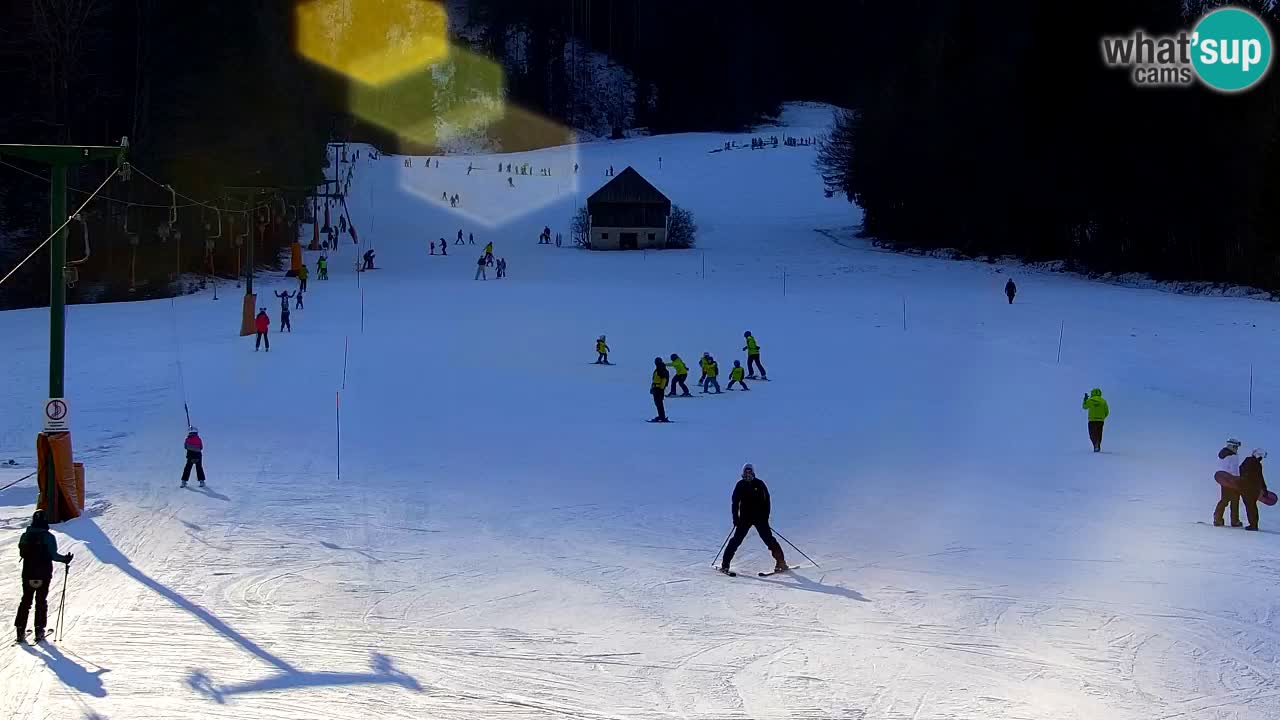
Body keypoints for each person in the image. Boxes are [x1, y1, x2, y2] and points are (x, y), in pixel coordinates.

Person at [15, 511, 72, 643]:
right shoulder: (48, 537)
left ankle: (20, 630)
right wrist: (66, 559)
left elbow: (22, 552)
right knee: (41, 602)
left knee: (25, 601)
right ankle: (39, 630)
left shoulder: (25, 536)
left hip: (28, 574)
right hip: (43, 574)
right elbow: (53, 555)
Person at [720, 464, 787, 575]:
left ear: (753, 472)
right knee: (735, 541)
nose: (748, 474)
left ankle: (781, 563)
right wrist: (735, 518)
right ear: (743, 473)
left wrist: (765, 517)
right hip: (744, 519)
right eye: (746, 472)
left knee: (769, 540)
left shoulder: (759, 484)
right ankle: (725, 565)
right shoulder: (740, 485)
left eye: (750, 472)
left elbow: (767, 501)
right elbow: (735, 503)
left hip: (759, 518)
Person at [1214, 437, 1244, 527]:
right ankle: (1235, 521)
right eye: (1235, 447)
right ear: (1231, 446)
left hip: (1224, 480)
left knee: (1225, 499)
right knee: (1235, 501)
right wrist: (1239, 480)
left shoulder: (1222, 455)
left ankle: (1217, 518)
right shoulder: (1232, 456)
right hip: (1233, 480)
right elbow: (1234, 470)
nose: (1236, 449)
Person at [1240, 449, 1269, 531]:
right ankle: (1254, 524)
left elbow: (1241, 472)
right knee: (1253, 506)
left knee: (1250, 506)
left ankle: (1253, 525)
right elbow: (1261, 477)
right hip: (1255, 489)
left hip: (1247, 488)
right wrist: (1264, 489)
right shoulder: (1258, 464)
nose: (1261, 459)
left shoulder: (1248, 461)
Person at [1082, 388, 1109, 452]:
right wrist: (1102, 417)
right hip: (1100, 421)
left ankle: (1095, 444)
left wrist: (1085, 399)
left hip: (1092, 420)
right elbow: (1107, 412)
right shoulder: (1103, 401)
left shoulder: (1090, 400)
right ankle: (1097, 444)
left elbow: (1084, 407)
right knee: (1099, 433)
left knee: (1092, 434)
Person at [650, 358, 670, 422]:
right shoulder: (658, 368)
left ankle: (662, 416)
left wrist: (661, 388)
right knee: (658, 403)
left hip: (658, 388)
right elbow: (654, 379)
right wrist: (652, 388)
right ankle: (661, 416)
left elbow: (664, 379)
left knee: (659, 403)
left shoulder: (661, 369)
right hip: (656, 388)